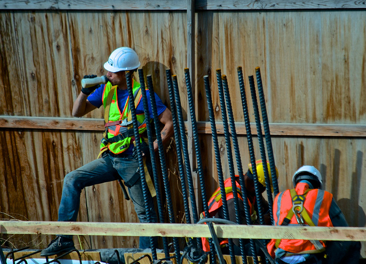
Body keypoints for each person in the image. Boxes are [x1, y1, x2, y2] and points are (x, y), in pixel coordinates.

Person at [41, 47, 174, 256]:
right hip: (110, 157)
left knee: (147, 214)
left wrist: (151, 148)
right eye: (108, 69)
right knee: (72, 179)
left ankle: (145, 256)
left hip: (133, 160)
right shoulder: (106, 90)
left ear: (127, 73)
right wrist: (84, 91)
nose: (108, 73)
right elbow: (77, 112)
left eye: (113, 71)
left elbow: (169, 122)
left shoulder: (144, 96)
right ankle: (63, 239)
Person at [267, 165, 361, 264]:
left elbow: (276, 226)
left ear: (296, 182)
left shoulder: (280, 197)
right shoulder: (323, 196)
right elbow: (343, 229)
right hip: (310, 259)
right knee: (353, 243)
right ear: (317, 184)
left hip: (282, 257)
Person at [201, 160, 278, 255]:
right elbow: (239, 239)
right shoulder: (234, 201)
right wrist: (263, 222)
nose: (262, 192)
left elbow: (268, 209)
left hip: (232, 240)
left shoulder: (246, 188)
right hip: (218, 247)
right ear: (256, 186)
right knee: (264, 247)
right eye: (264, 188)